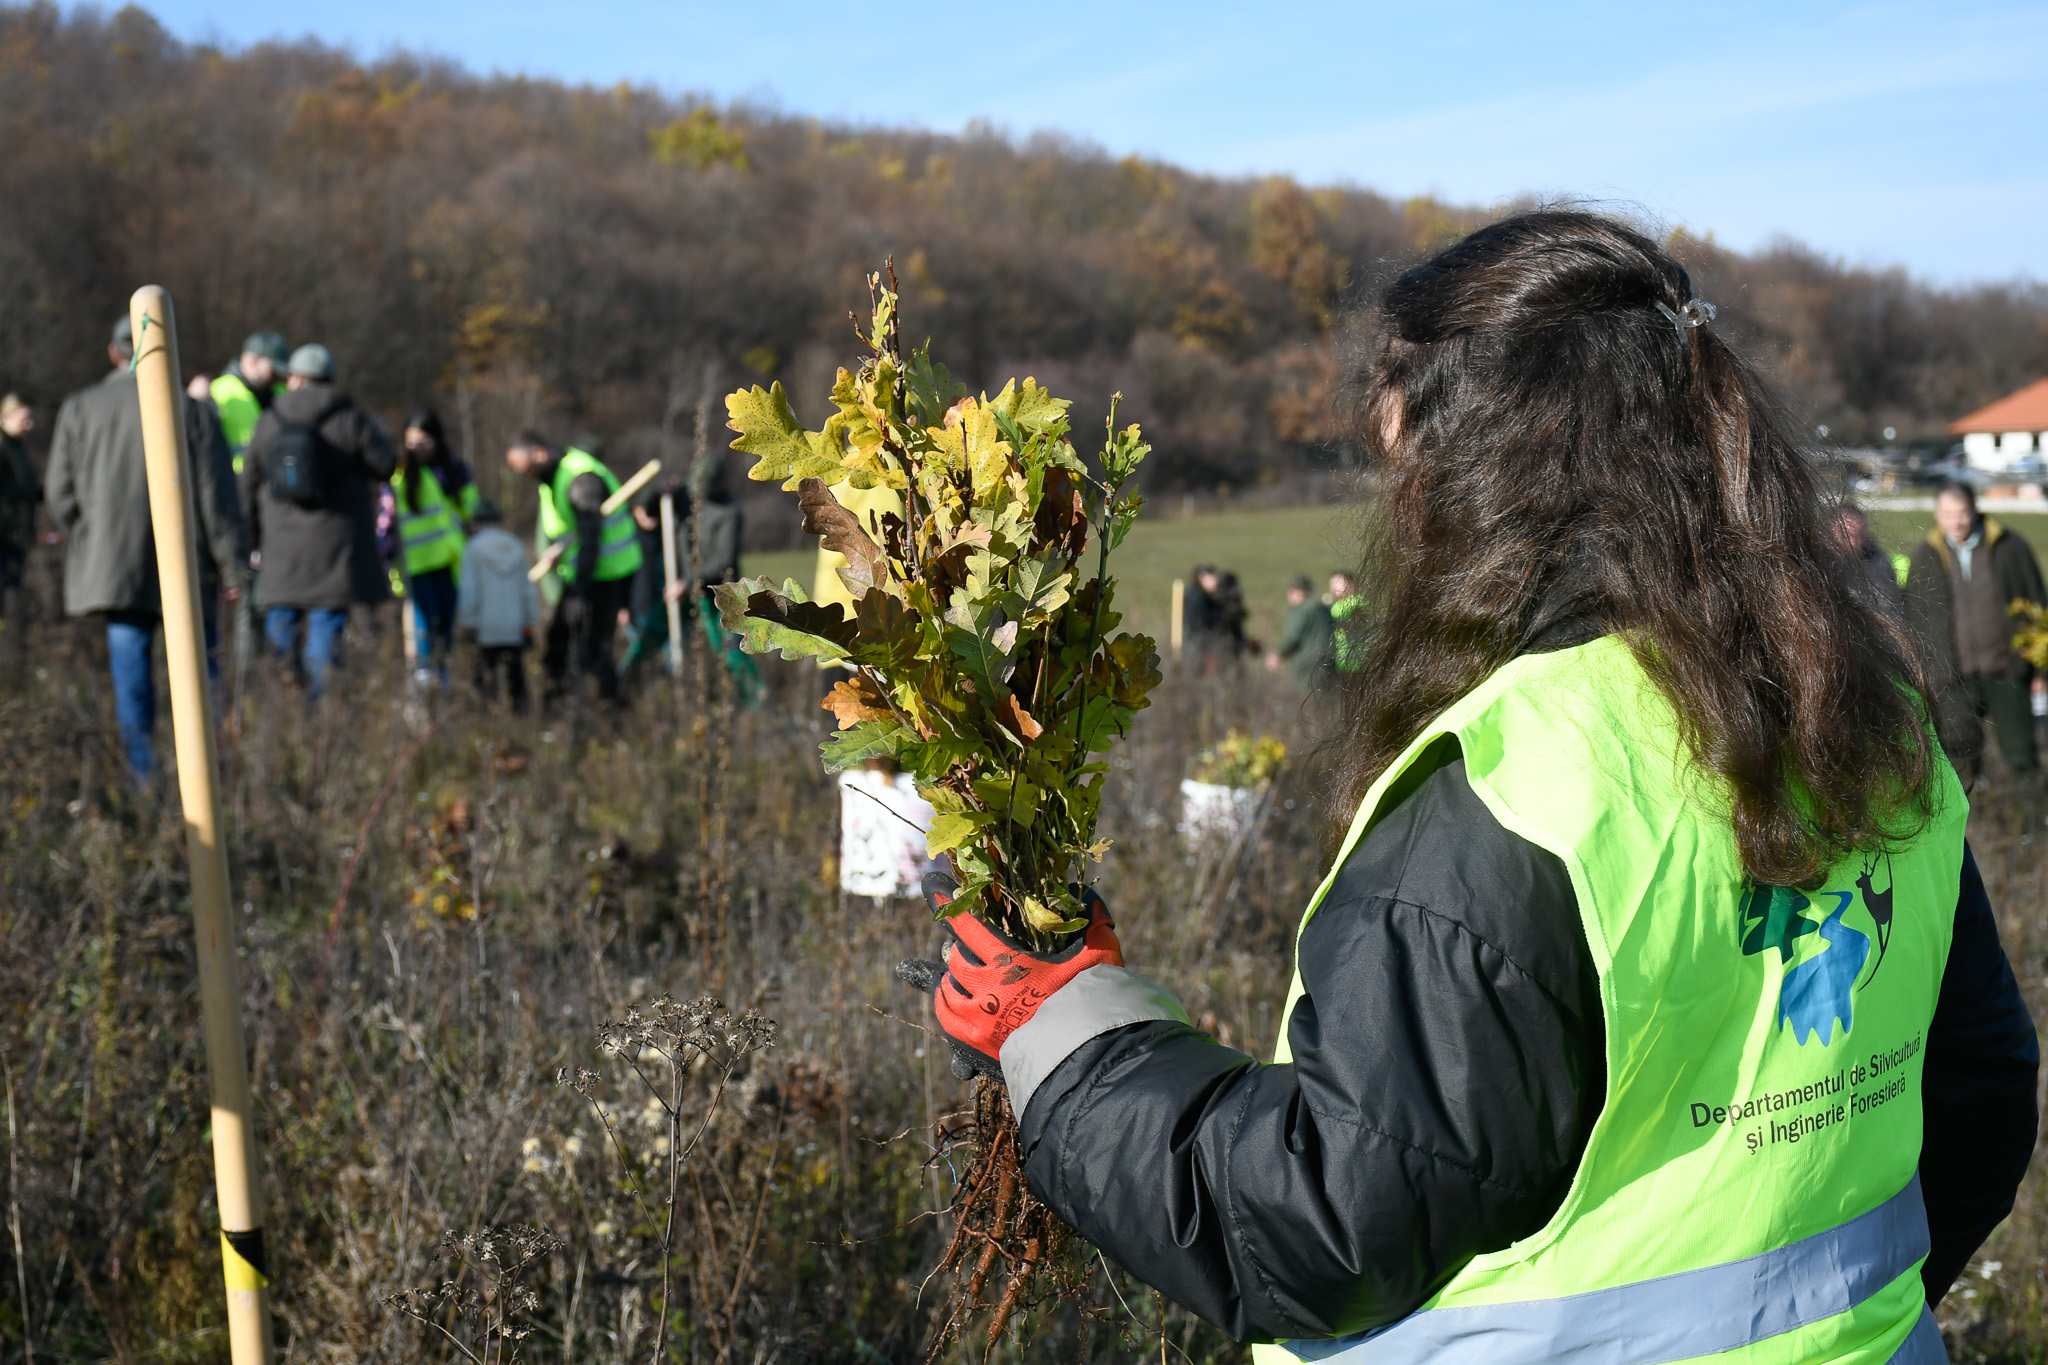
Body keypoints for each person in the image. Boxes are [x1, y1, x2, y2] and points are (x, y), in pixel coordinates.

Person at [903, 212, 2038, 1362]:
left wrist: (1071, 1035)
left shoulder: (1518, 787)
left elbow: (1318, 1231)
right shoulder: (1868, 721)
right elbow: (1979, 1101)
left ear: (1480, 477)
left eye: (1399, 458)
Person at [45, 317, 247, 781]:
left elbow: (58, 495)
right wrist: (233, 565)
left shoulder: (80, 408)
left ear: (114, 352)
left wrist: (95, 535)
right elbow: (218, 498)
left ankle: (147, 785)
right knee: (197, 681)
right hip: (187, 568)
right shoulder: (193, 411)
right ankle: (207, 781)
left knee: (132, 683)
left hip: (115, 570)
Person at [240, 344, 396, 697]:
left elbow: (248, 482)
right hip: (336, 546)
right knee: (325, 630)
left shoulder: (270, 419)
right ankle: (317, 715)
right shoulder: (350, 417)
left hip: (281, 549)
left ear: (294, 377)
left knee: (281, 624)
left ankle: (283, 706)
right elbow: (385, 465)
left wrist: (252, 541)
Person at [1903, 479, 2047, 795]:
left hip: (2008, 672)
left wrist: (2039, 669)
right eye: (1947, 514)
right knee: (1959, 763)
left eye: (1962, 513)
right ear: (1937, 514)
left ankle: (2030, 832)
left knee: (2023, 758)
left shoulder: (2011, 547)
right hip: (1952, 680)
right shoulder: (1925, 555)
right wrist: (1926, 675)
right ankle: (1975, 833)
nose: (1956, 522)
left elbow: (2038, 606)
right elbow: (1914, 619)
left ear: (1975, 510)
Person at [504, 430, 641, 707]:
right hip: (583, 572)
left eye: (526, 470)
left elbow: (591, 540)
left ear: (539, 453)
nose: (525, 477)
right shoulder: (552, 480)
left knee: (593, 647)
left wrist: (578, 593)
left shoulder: (580, 478)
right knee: (560, 640)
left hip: (605, 573)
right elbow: (574, 529)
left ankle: (611, 709)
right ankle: (558, 706)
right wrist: (561, 549)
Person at [390, 410, 470, 685]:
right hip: (414, 564)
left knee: (446, 621)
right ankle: (424, 678)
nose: (417, 447)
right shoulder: (398, 473)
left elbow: (469, 506)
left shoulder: (451, 468)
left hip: (448, 559)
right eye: (411, 441)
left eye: (423, 441)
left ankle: (443, 675)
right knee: (424, 623)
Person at [455, 497, 537, 710]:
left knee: (484, 683)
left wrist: (468, 623)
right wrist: (528, 623)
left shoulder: (472, 549)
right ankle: (523, 721)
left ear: (476, 522)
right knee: (516, 680)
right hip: (514, 627)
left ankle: (484, 727)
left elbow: (469, 591)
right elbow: (528, 590)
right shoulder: (516, 546)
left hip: (485, 628)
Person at [209, 331, 288, 474]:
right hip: (234, 482)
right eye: (273, 370)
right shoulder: (218, 392)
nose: (278, 376)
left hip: (275, 482)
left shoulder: (282, 392)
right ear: (252, 362)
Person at [0, 393, 41, 628]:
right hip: (5, 536)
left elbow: (24, 490)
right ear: (6, 416)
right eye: (24, 418)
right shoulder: (4, 447)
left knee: (11, 602)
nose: (29, 424)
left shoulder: (18, 448)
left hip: (15, 538)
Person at [1265, 573, 1333, 689]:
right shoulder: (1324, 608)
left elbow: (1293, 636)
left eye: (1290, 592)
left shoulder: (1302, 610)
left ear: (1298, 592)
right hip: (1330, 661)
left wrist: (1279, 654)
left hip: (1308, 665)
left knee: (1308, 701)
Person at [1831, 503, 1903, 611]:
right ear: (1830, 532)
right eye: (1846, 535)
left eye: (1859, 536)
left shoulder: (1878, 566)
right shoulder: (1816, 563)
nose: (1854, 543)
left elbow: (1889, 609)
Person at [1327, 569, 1365, 673]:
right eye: (1332, 584)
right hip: (1340, 659)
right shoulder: (1337, 605)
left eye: (1338, 583)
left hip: (1355, 659)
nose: (1333, 587)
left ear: (1350, 584)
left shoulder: (1356, 602)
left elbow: (1342, 619)